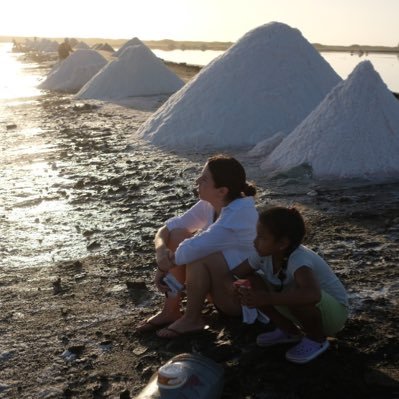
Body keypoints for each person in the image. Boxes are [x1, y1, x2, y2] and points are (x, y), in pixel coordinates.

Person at [137, 155, 258, 338]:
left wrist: (164, 266)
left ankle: (192, 319)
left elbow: (192, 249)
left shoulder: (239, 214)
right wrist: (161, 252)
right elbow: (168, 228)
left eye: (204, 179)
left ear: (222, 190)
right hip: (218, 285)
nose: (197, 181)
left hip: (239, 298)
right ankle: (171, 310)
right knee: (178, 234)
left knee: (198, 254)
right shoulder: (211, 204)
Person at [233, 206, 348, 364]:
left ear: (282, 244)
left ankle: (317, 339)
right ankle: (289, 331)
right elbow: (238, 273)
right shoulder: (263, 254)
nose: (254, 241)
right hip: (303, 306)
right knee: (251, 281)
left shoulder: (298, 259)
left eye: (262, 237)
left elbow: (312, 294)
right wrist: (241, 290)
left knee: (298, 292)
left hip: (332, 315)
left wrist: (266, 298)